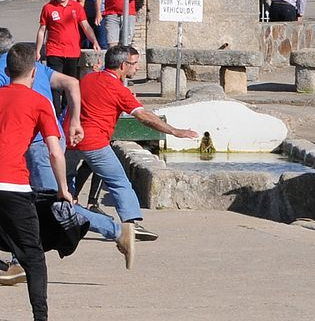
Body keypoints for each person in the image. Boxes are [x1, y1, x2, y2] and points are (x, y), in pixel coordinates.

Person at [0, 29, 135, 279]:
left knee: (56, 203)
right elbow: (72, 83)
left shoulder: (7, 69)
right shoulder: (29, 64)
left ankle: (115, 230)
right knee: (27, 204)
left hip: (37, 145)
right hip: (44, 140)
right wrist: (74, 120)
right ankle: (20, 261)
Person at [65, 45, 199, 243]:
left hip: (68, 140)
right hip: (94, 142)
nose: (137, 68)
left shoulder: (88, 78)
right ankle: (131, 224)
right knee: (119, 182)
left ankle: (68, 215)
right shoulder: (119, 89)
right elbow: (143, 116)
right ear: (122, 65)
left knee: (66, 185)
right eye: (134, 64)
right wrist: (174, 131)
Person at [0, 43, 72, 321]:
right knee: (33, 255)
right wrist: (63, 189)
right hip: (15, 185)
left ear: (6, 71)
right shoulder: (40, 103)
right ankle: (40, 317)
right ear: (34, 73)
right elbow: (55, 152)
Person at [35, 0, 100, 113]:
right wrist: (37, 50)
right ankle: (56, 113)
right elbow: (42, 30)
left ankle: (66, 114)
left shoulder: (76, 7)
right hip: (54, 51)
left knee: (70, 85)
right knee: (55, 85)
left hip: (72, 52)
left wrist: (94, 41)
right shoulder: (48, 8)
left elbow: (85, 26)